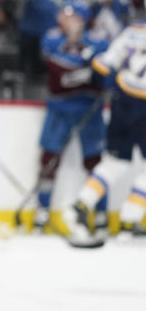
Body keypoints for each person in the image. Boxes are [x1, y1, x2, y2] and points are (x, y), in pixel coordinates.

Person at [64, 20, 146, 246]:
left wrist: (93, 56)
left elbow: (103, 65)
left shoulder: (131, 31)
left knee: (115, 163)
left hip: (122, 103)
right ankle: (130, 221)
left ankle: (80, 206)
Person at [31, 0, 109, 233]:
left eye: (69, 15)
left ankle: (100, 213)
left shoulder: (99, 41)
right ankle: (42, 211)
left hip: (89, 109)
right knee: (49, 159)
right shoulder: (52, 37)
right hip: (59, 108)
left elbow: (102, 76)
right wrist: (86, 69)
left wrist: (84, 68)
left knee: (95, 162)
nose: (62, 19)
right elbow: (58, 78)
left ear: (82, 19)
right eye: (62, 15)